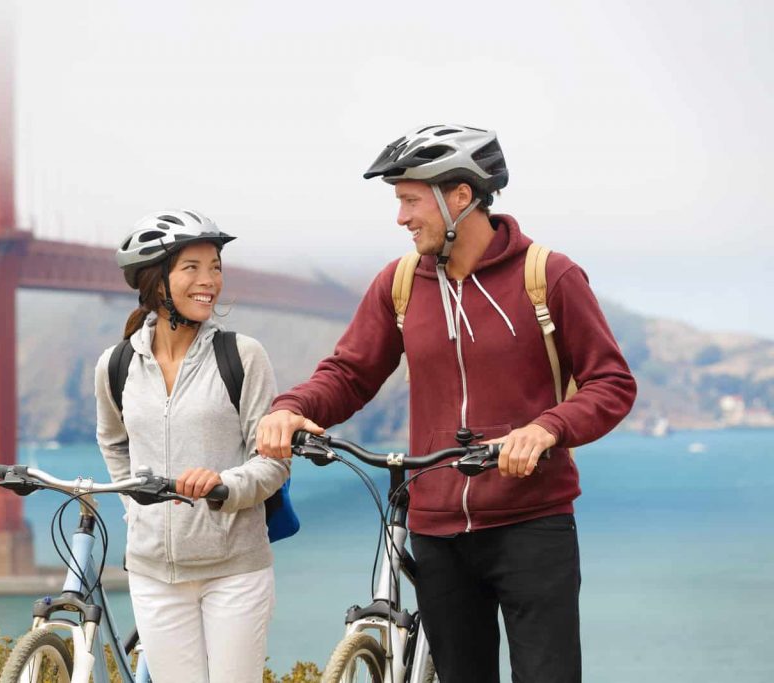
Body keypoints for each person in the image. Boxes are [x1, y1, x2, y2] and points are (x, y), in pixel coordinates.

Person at [256, 125, 636, 682]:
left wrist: (546, 429)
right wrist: (291, 406)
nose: (401, 218)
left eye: (411, 200)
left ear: (461, 196)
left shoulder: (549, 276)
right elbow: (350, 372)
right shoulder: (401, 283)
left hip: (531, 523)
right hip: (436, 530)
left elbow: (611, 383)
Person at [95, 209, 289, 683]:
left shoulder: (242, 356)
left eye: (216, 267)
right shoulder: (115, 365)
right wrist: (134, 507)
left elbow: (274, 462)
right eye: (192, 268)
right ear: (156, 282)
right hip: (152, 573)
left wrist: (225, 485)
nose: (210, 281)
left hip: (234, 570)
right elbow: (114, 444)